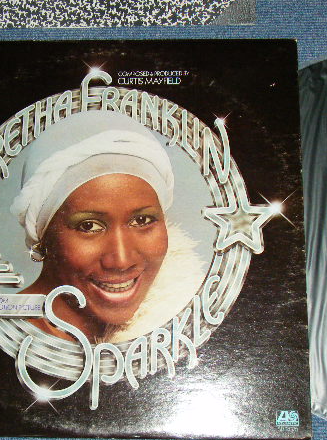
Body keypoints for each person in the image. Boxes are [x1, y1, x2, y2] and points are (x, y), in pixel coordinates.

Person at [11, 110, 205, 343]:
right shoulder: (10, 334)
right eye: (89, 226)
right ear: (42, 235)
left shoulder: (176, 313)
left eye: (142, 221)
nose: (121, 261)